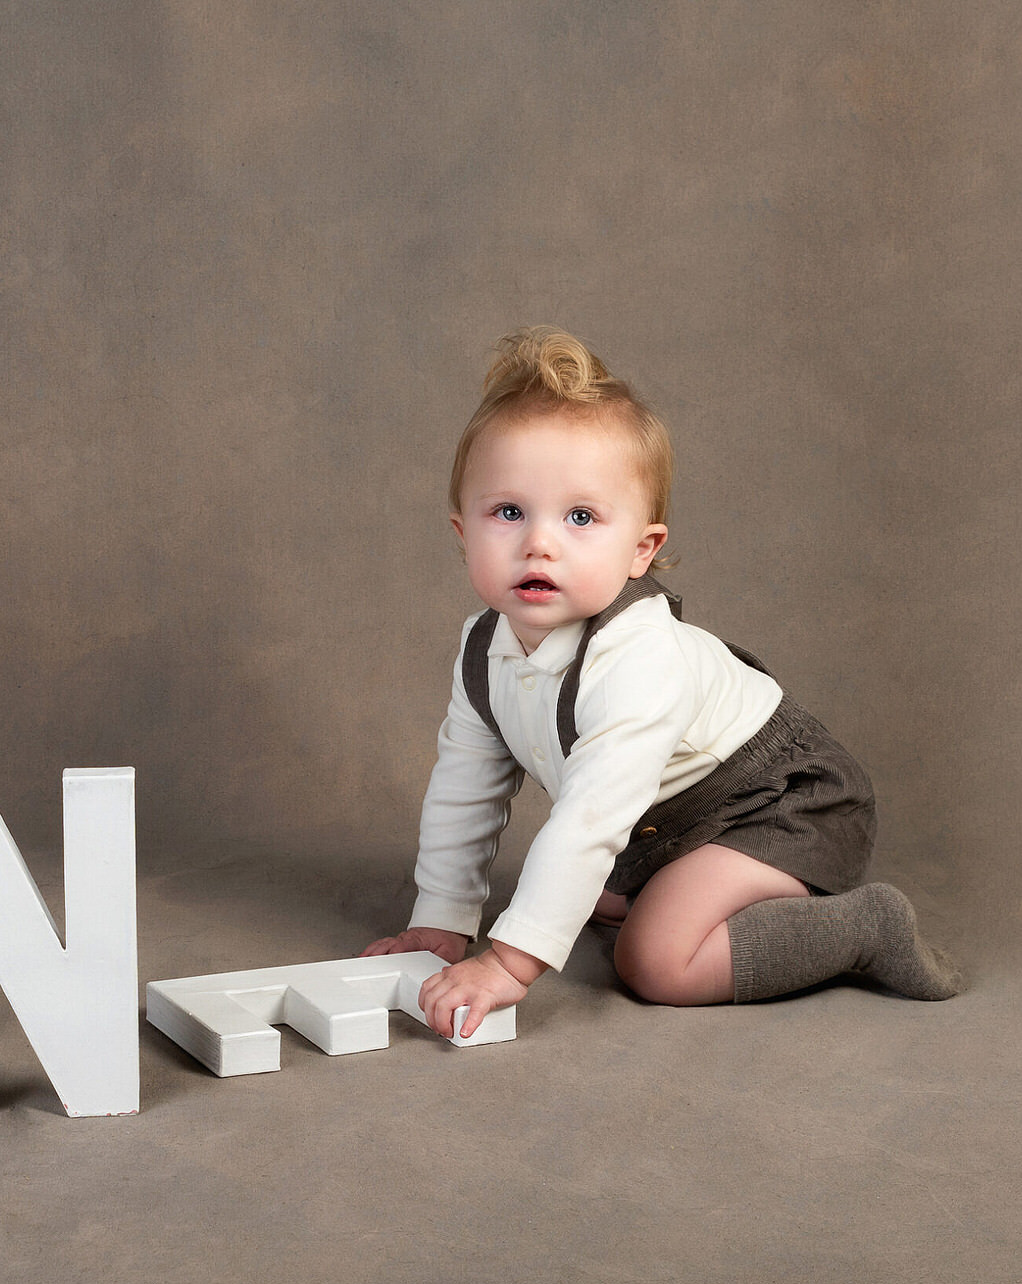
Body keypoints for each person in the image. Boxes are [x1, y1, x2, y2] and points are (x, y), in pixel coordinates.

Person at [362, 326, 963, 1039]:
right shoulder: (482, 649)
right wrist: (441, 922)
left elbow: (590, 816)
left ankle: (865, 928)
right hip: (662, 825)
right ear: (463, 532)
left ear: (641, 549)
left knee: (654, 959)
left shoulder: (639, 657)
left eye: (580, 516)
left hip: (780, 806)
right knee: (594, 897)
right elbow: (466, 785)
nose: (539, 541)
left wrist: (506, 964)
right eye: (509, 512)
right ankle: (665, 885)